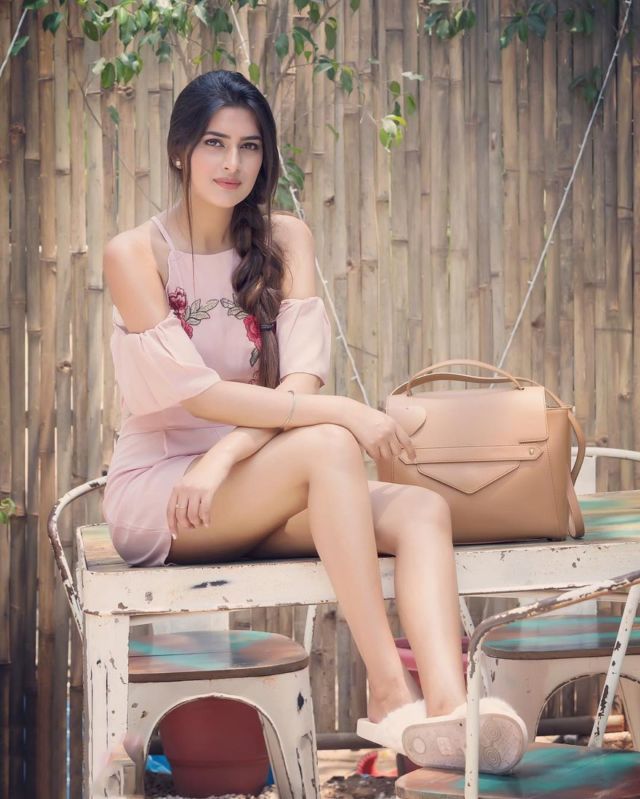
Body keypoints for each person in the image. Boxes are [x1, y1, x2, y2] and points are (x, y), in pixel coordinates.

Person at [102, 69, 526, 773]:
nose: (233, 163)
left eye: (250, 147)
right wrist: (333, 415)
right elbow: (199, 394)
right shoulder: (135, 253)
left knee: (420, 509)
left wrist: (226, 457)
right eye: (214, 143)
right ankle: (390, 691)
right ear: (180, 150)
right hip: (166, 493)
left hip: (247, 477)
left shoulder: (286, 238)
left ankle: (449, 713)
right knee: (329, 441)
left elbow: (299, 375)